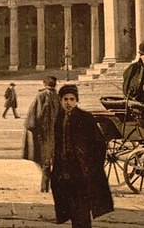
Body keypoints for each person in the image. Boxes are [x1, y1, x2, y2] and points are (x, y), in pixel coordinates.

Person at [50, 84, 114, 228]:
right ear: (61, 101)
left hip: (81, 170)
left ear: (77, 100)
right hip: (64, 169)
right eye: (65, 99)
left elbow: (100, 144)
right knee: (70, 207)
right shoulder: (59, 119)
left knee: (82, 208)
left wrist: (93, 166)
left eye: (72, 99)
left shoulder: (86, 118)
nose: (68, 103)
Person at [23, 76, 58, 192]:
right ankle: (51, 185)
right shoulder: (57, 96)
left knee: (44, 160)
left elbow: (33, 116)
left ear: (44, 83)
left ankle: (44, 188)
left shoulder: (41, 96)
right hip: (55, 132)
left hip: (44, 132)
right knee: (51, 159)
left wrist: (32, 128)